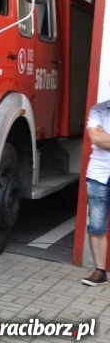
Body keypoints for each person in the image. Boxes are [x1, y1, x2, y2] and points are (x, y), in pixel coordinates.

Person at [81, 98, 110, 286]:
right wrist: (101, 138)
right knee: (96, 226)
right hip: (99, 175)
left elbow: (103, 138)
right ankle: (100, 272)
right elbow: (97, 138)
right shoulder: (98, 109)